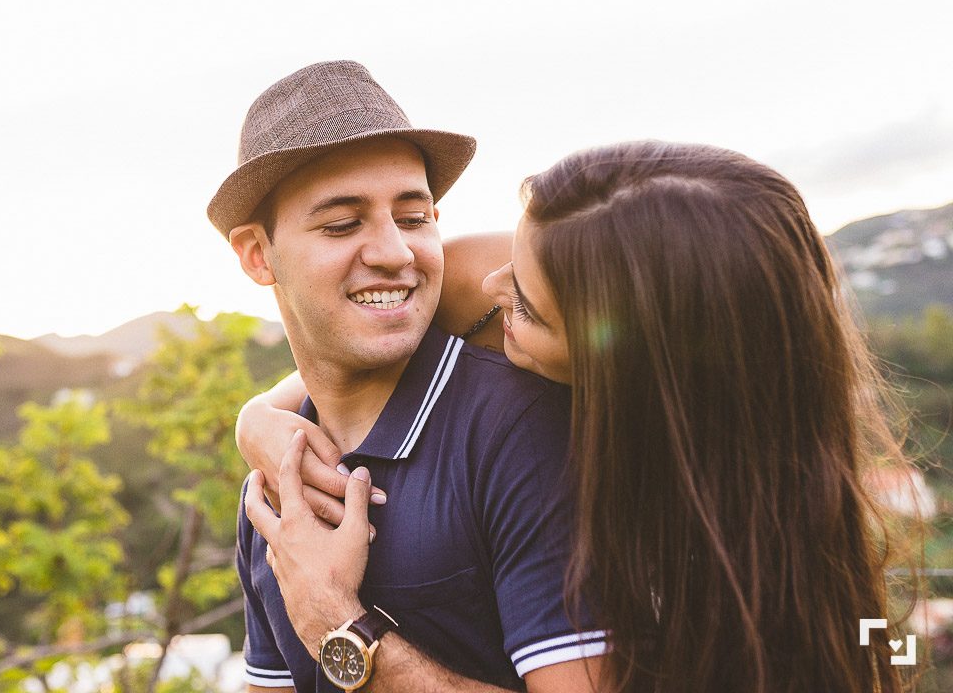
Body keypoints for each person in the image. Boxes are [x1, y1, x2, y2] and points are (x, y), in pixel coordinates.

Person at [241, 140, 912, 693]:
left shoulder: (761, 550)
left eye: (526, 308)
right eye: (511, 263)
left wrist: (342, 625)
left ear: (630, 364)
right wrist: (261, 420)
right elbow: (346, 342)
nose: (492, 292)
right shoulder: (547, 256)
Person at [209, 61, 606, 692]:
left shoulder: (520, 428)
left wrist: (337, 624)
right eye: (342, 224)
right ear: (259, 255)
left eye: (414, 217)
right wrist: (251, 418)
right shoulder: (276, 476)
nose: (394, 252)